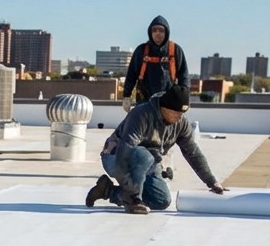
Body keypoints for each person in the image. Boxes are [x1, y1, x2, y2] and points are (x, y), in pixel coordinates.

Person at [85, 84, 227, 214]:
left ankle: (108, 191)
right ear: (164, 107)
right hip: (116, 157)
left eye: (182, 113)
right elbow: (126, 148)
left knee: (161, 200)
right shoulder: (141, 114)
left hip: (149, 163)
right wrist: (131, 191)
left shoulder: (181, 124)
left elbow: (193, 153)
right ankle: (133, 200)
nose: (179, 117)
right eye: (176, 113)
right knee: (145, 156)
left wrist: (212, 182)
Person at [125, 15, 189, 106]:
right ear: (150, 33)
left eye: (161, 30)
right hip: (145, 101)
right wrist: (126, 96)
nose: (157, 33)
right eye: (154, 30)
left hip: (169, 102)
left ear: (166, 32)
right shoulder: (141, 50)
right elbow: (131, 75)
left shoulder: (175, 50)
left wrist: (184, 97)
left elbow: (184, 76)